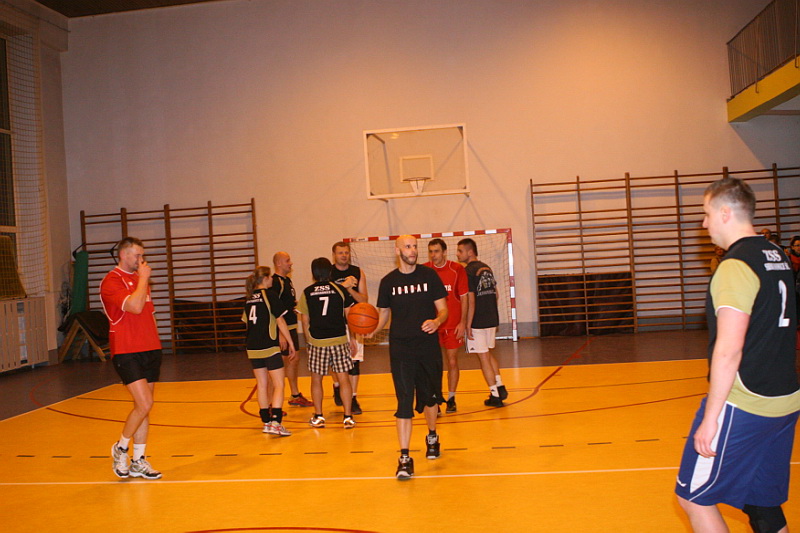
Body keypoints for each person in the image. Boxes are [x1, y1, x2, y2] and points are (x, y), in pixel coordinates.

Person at [675, 177, 800, 533]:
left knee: (694, 498)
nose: (704, 224)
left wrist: (711, 417)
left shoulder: (735, 265)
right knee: (763, 506)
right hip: (785, 397)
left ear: (725, 213)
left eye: (706, 213)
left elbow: (729, 349)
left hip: (745, 401)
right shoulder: (776, 254)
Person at [370, 235, 448, 480]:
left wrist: (437, 321)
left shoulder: (429, 276)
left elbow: (443, 310)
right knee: (404, 401)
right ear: (398, 251)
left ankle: (432, 435)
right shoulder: (388, 282)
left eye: (414, 246)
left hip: (427, 346)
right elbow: (383, 314)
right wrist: (370, 332)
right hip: (401, 348)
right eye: (407, 246)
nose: (412, 250)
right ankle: (404, 458)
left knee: (430, 398)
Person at [100, 237, 163, 480]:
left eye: (142, 255)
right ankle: (121, 448)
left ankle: (138, 460)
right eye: (137, 255)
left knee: (144, 408)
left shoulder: (139, 280)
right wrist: (144, 279)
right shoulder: (111, 281)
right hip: (127, 350)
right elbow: (135, 307)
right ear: (123, 255)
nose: (141, 260)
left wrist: (156, 344)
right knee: (144, 404)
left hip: (150, 349)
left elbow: (148, 313)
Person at [297, 257, 357, 429]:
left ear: (313, 273)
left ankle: (318, 416)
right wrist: (353, 338)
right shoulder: (340, 289)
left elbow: (305, 321)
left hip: (317, 341)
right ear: (330, 272)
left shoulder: (307, 292)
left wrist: (308, 342)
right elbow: (350, 317)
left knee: (316, 380)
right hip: (339, 339)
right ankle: (348, 417)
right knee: (344, 379)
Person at [244, 266, 297, 436]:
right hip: (269, 345)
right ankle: (276, 422)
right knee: (279, 384)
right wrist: (291, 343)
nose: (272, 279)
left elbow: (246, 322)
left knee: (262, 384)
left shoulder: (249, 298)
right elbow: (280, 321)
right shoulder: (270, 295)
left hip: (252, 347)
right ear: (265, 278)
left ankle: (266, 422)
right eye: (270, 277)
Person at [456, 238, 508, 407]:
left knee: (483, 357)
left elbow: (471, 300)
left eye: (460, 251)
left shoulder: (468, 271)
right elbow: (496, 293)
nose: (458, 255)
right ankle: (500, 386)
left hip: (478, 319)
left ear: (470, 252)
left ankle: (495, 395)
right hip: (492, 317)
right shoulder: (487, 268)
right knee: (488, 353)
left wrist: (468, 324)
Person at [424, 238, 469, 413]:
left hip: (452, 324)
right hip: (431, 326)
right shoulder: (425, 270)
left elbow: (464, 297)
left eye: (436, 251)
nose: (433, 255)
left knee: (452, 361)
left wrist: (463, 322)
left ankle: (451, 398)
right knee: (432, 365)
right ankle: (435, 398)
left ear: (444, 252)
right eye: (430, 251)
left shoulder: (456, 269)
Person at [269, 252, 313, 407]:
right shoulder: (275, 282)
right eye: (287, 260)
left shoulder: (287, 280)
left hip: (291, 327)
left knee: (294, 360)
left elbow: (285, 303)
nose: (291, 263)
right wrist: (281, 333)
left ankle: (295, 395)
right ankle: (270, 402)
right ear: (279, 263)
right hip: (282, 329)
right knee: (277, 366)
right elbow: (273, 308)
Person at [330, 241, 368, 415]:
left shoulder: (357, 272)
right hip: (334, 321)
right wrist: (342, 286)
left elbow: (364, 300)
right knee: (335, 362)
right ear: (334, 255)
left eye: (346, 252)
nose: (344, 255)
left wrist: (350, 289)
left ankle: (352, 397)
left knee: (354, 361)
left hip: (355, 321)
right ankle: (337, 385)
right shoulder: (329, 273)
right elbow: (327, 297)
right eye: (340, 253)